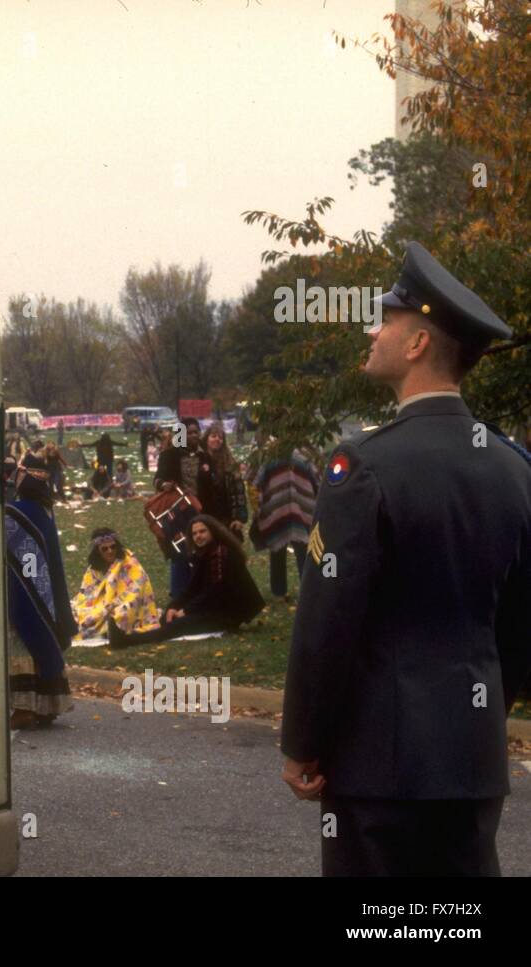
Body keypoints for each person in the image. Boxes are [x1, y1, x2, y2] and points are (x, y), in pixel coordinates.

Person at [281, 241, 531, 876]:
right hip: (472, 767)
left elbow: (325, 622)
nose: (373, 329)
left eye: (387, 319)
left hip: (377, 769)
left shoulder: (362, 464)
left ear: (418, 343)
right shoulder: (514, 470)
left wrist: (302, 744)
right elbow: (522, 622)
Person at [109, 515, 263, 647]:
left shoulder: (221, 553)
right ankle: (127, 635)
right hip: (213, 605)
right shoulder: (203, 553)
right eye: (194, 533)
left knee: (176, 626)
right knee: (165, 618)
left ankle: (125, 641)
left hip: (228, 612)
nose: (198, 536)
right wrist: (173, 606)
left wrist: (186, 611)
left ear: (213, 532)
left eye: (203, 531)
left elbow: (216, 591)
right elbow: (192, 588)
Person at [5, 454, 78, 727]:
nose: (15, 476)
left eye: (20, 472)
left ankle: (25, 708)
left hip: (23, 588)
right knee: (44, 632)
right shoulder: (44, 508)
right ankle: (48, 706)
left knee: (22, 640)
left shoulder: (15, 512)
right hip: (45, 590)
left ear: (28, 476)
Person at [250, 440, 320, 599]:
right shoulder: (267, 453)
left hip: (299, 509)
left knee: (303, 551)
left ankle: (306, 591)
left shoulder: (306, 451)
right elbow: (255, 481)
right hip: (279, 508)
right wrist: (257, 507)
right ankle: (279, 592)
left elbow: (318, 478)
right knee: (278, 549)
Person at [72, 528, 161, 640]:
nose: (110, 551)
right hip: (102, 604)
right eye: (104, 549)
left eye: (113, 547)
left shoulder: (129, 563)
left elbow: (136, 590)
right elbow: (87, 593)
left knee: (121, 614)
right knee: (76, 610)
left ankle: (111, 629)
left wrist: (113, 605)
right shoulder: (94, 568)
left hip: (127, 602)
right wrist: (103, 607)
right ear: (97, 551)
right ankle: (105, 627)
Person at [154, 417, 204, 598]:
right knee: (180, 551)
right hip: (178, 510)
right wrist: (163, 484)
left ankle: (197, 590)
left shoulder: (203, 455)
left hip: (200, 510)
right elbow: (157, 479)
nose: (193, 436)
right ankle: (178, 593)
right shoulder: (170, 455)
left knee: (199, 551)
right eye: (188, 432)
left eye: (195, 432)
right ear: (182, 434)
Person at [197, 424, 248, 539]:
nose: (217, 439)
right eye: (213, 436)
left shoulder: (229, 463)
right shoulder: (199, 460)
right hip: (204, 513)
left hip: (226, 515)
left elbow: (239, 492)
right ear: (206, 439)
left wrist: (239, 518)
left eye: (220, 437)